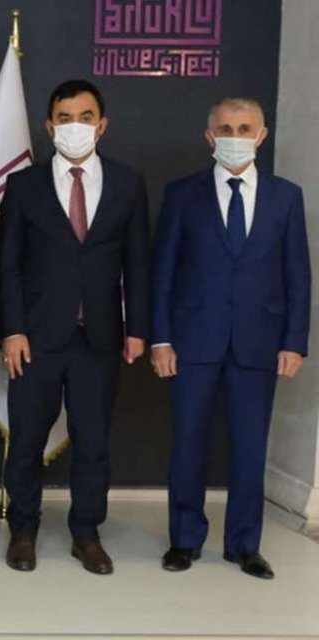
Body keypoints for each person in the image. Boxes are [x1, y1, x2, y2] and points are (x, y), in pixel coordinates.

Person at [151, 98, 310, 580]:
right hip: (193, 341)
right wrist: (161, 339)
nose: (234, 136)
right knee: (188, 443)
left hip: (259, 343)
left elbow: (298, 274)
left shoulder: (286, 197)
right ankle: (184, 539)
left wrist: (294, 341)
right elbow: (163, 272)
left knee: (249, 448)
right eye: (225, 129)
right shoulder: (183, 195)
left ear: (261, 135)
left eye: (244, 128)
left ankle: (244, 544)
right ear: (209, 137)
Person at [0, 79, 150, 575]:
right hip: (36, 339)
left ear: (102, 125)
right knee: (26, 441)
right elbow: (8, 265)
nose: (75, 127)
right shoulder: (24, 185)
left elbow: (137, 262)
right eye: (65, 119)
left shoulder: (128, 182)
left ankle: (86, 533)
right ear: (49, 127)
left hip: (99, 339)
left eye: (85, 117)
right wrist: (12, 330)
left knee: (93, 442)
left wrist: (137, 327)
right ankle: (23, 530)